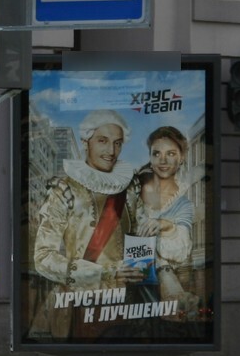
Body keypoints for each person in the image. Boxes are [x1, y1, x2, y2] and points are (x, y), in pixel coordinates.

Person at [30, 108, 147, 339]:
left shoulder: (131, 189)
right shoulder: (64, 190)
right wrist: (106, 272)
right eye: (103, 141)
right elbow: (43, 258)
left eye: (117, 143)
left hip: (127, 308)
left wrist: (142, 260)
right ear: (86, 142)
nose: (111, 151)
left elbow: (139, 240)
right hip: (80, 306)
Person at [134, 125, 196, 310]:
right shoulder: (135, 189)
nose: (163, 160)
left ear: (182, 157)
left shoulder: (183, 203)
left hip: (160, 289)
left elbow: (181, 252)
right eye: (157, 154)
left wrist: (166, 226)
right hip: (126, 283)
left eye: (171, 154)